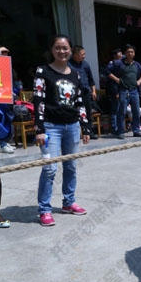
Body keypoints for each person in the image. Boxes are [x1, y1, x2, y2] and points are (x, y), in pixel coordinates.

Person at [33, 34, 90, 226]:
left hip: (72, 126)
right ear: (52, 50)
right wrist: (39, 129)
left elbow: (80, 101)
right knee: (50, 169)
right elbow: (38, 100)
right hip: (50, 127)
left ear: (70, 50)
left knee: (71, 166)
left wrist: (85, 126)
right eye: (57, 47)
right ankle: (44, 209)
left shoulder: (76, 74)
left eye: (65, 48)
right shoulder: (43, 71)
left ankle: (69, 202)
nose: (62, 51)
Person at [106, 44, 141, 139]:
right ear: (125, 53)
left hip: (134, 91)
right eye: (128, 52)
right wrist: (116, 79)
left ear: (134, 54)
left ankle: (136, 130)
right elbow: (107, 71)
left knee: (136, 111)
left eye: (132, 52)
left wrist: (139, 81)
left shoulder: (136, 64)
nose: (130, 54)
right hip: (123, 90)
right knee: (122, 112)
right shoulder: (119, 63)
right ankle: (120, 131)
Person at [69, 45, 97, 138]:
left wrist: (93, 91)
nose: (84, 56)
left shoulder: (85, 64)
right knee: (75, 113)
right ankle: (77, 133)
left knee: (88, 113)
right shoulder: (68, 65)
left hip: (86, 92)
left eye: (84, 54)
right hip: (74, 94)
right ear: (75, 54)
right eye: (82, 54)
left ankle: (89, 132)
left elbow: (91, 79)